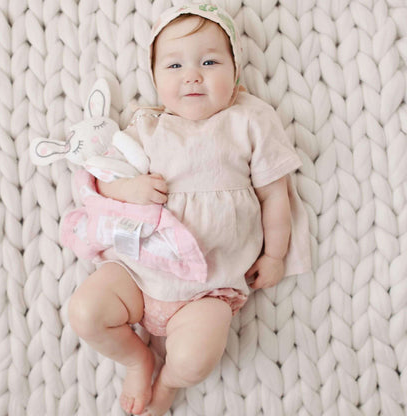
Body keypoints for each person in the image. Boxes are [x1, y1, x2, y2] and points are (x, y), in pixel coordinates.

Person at [67, 3, 311, 415]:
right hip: (138, 272)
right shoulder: (145, 126)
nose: (192, 75)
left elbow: (275, 195)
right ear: (156, 78)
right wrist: (129, 188)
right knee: (86, 312)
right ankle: (136, 358)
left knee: (196, 357)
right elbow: (102, 179)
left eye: (210, 61)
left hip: (208, 286)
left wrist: (274, 254)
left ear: (235, 72)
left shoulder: (249, 120)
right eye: (174, 65)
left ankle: (168, 382)